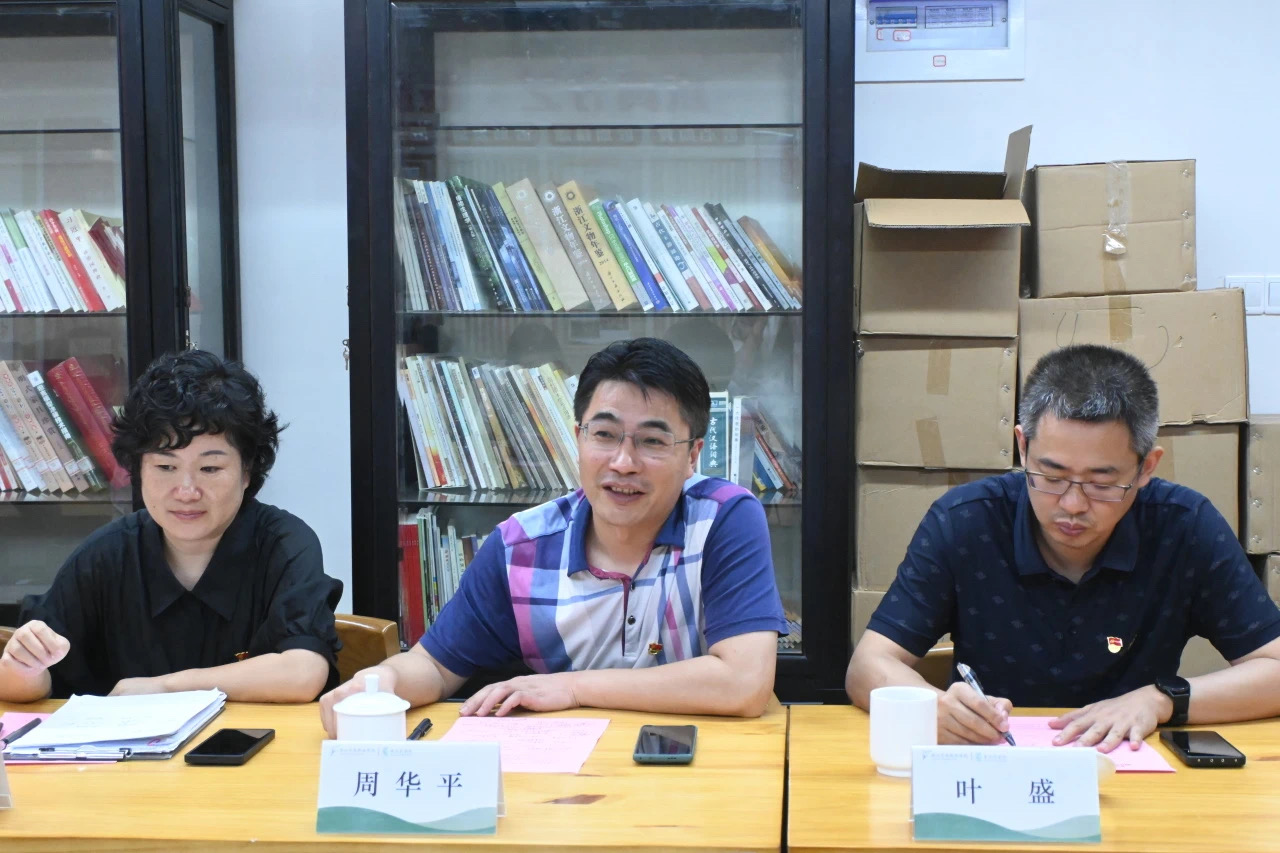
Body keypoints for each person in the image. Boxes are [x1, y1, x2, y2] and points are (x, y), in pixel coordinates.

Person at [320, 337, 787, 734]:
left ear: (693, 456)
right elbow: (434, 666)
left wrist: (573, 687)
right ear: (578, 437)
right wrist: (378, 684)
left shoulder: (723, 519)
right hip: (563, 779)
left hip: (697, 771)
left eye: (653, 441)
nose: (623, 462)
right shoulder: (519, 549)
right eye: (604, 434)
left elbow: (744, 683)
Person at [846, 344, 1280, 752]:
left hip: (1128, 769)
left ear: (1146, 467)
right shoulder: (966, 521)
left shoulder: (1184, 527)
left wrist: (1161, 699)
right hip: (995, 762)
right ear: (1022, 447)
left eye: (1102, 483)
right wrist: (936, 707)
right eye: (1051, 477)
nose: (1072, 505)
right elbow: (868, 664)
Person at [0, 350, 342, 703]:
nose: (187, 491)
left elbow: (303, 671)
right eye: (165, 467)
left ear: (247, 472)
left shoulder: (284, 543)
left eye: (210, 469)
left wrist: (161, 687)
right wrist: (25, 667)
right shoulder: (105, 555)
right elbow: (30, 685)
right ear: (138, 469)